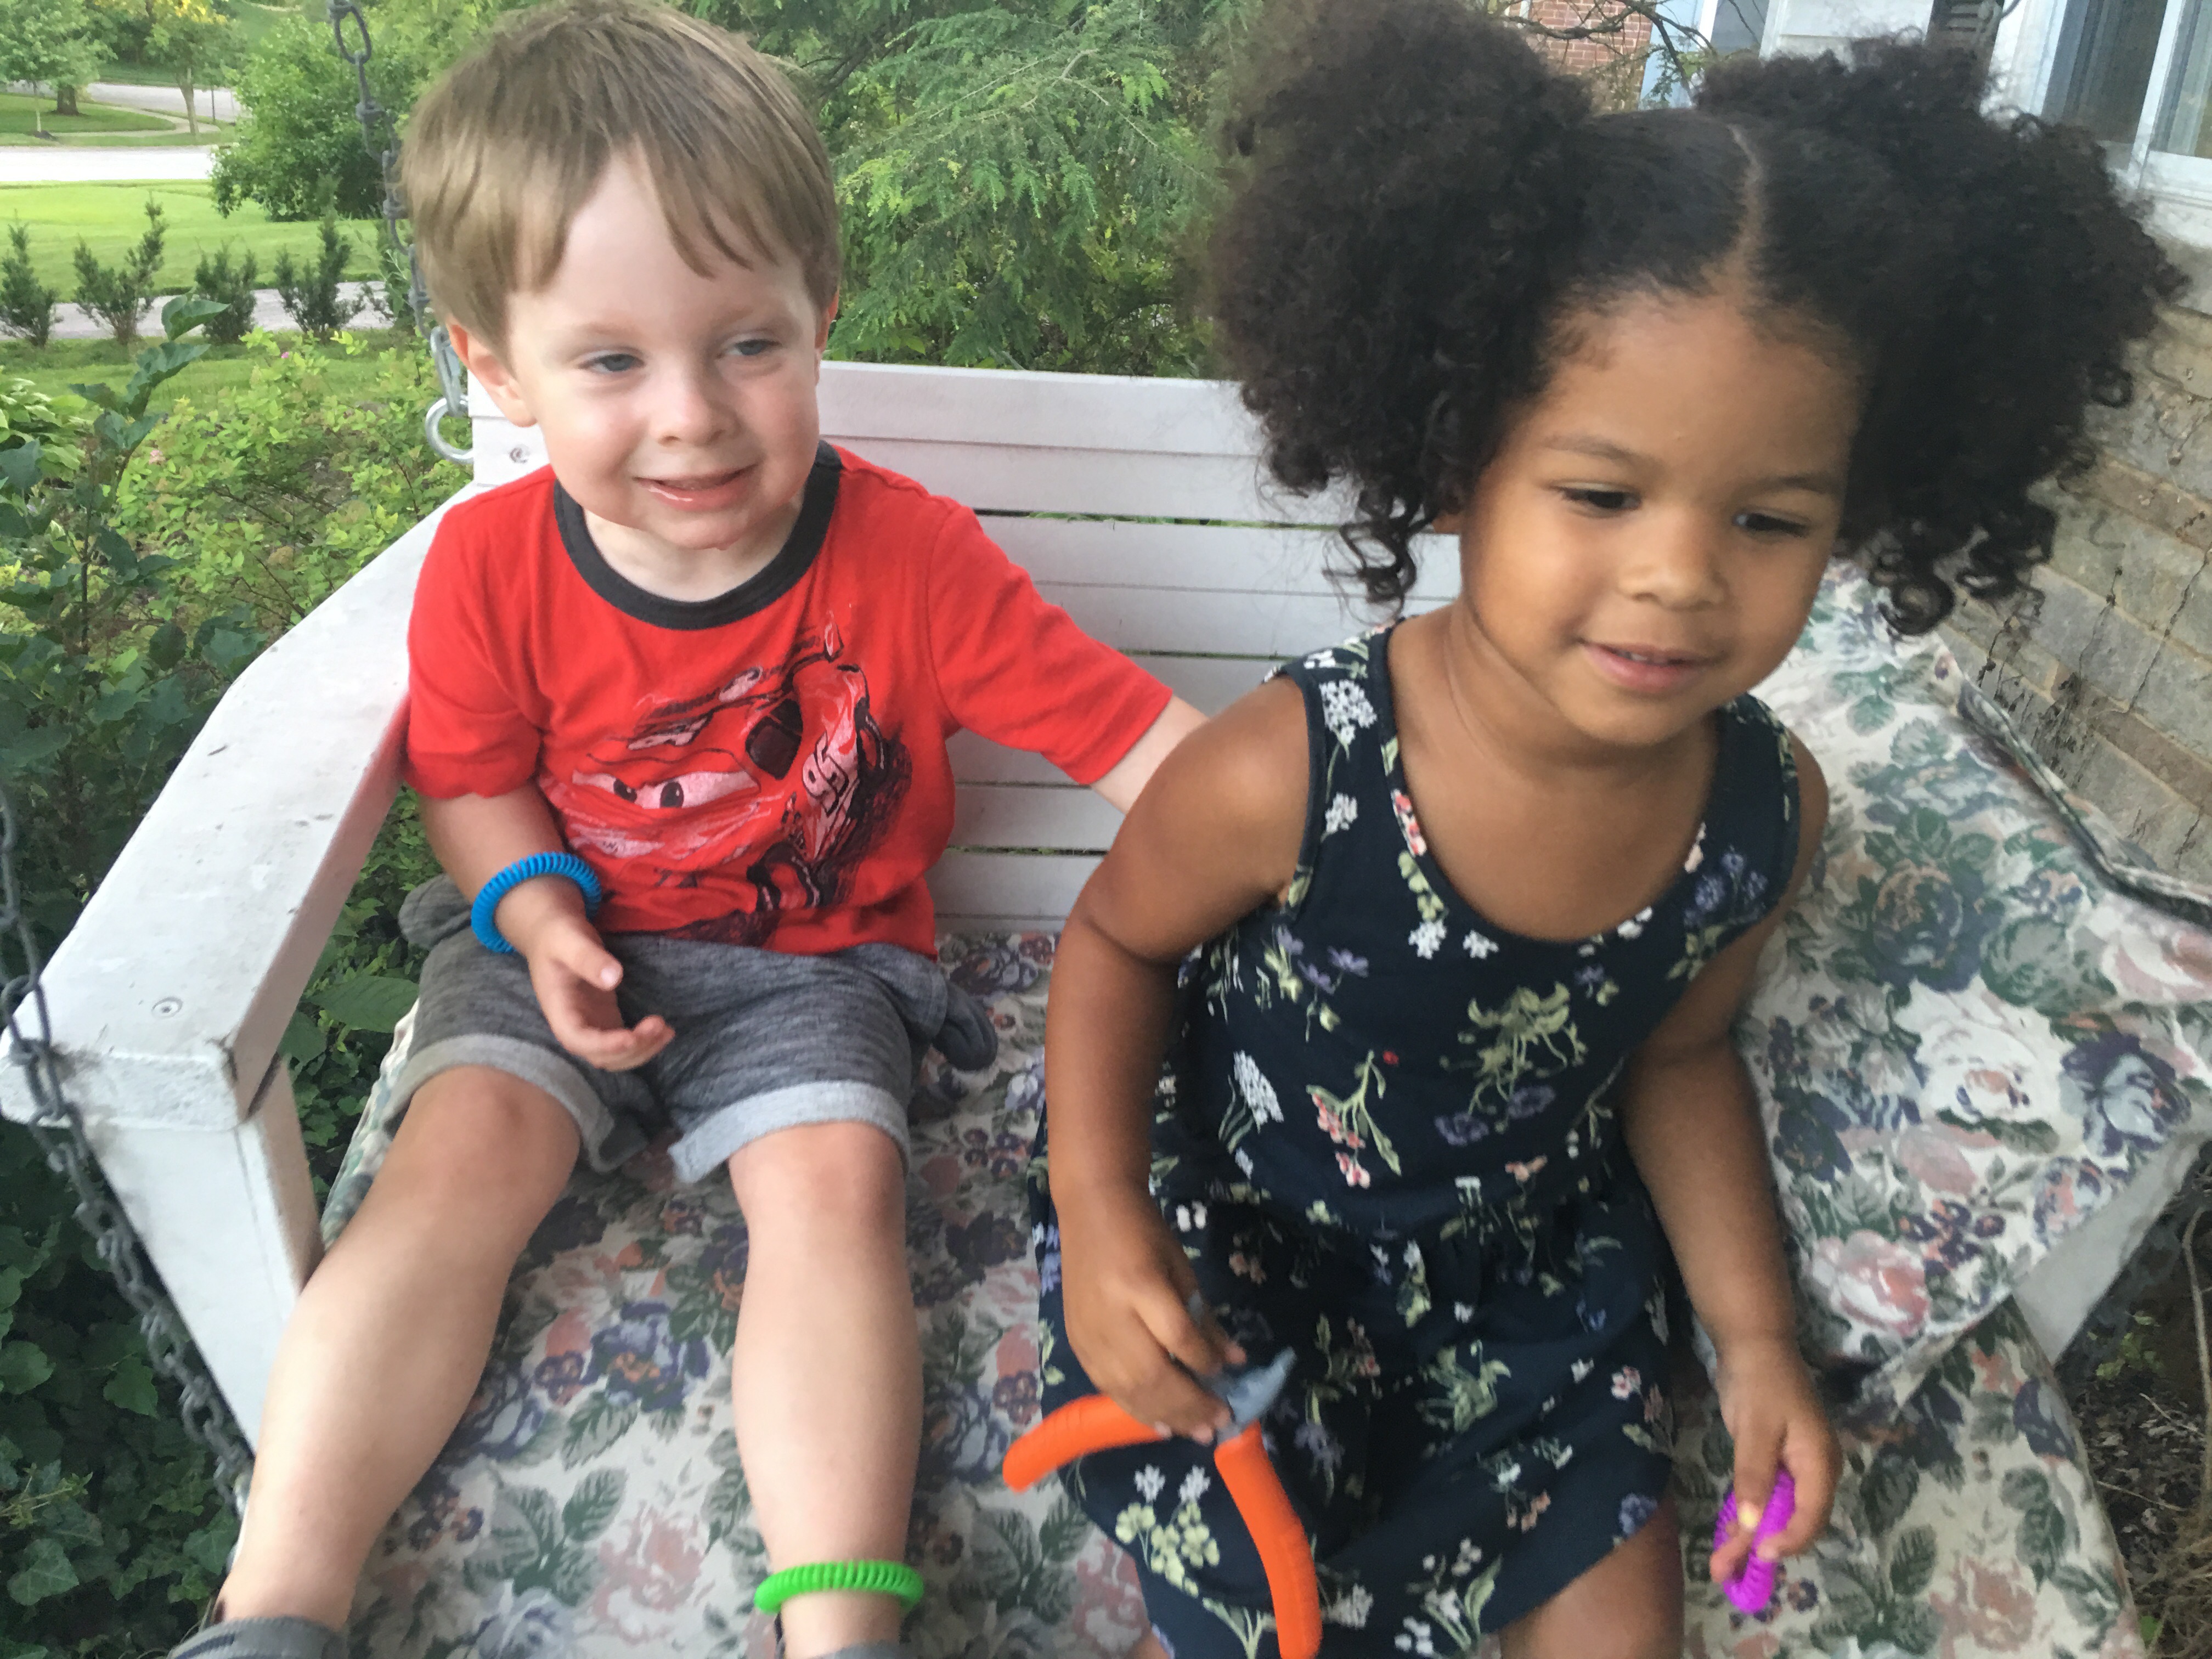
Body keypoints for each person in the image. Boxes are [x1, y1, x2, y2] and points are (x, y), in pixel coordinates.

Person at [1028, 5, 2181, 1656]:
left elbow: (1680, 1054)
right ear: (1458, 464)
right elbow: (1117, 944)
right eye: (1601, 495)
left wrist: (1756, 1344)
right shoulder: (1298, 767)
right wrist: (1098, 1215)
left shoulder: (1762, 812)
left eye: (1770, 517)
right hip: (1254, 1263)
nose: (1682, 575)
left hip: (1531, 1303)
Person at [171, 8, 1203, 1659]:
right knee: (455, 1168)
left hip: (815, 964)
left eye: (746, 346)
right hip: (559, 942)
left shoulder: (914, 563)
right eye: (610, 362)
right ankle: (276, 1607)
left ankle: (841, 1629)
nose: (693, 416)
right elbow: (471, 778)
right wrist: (533, 913)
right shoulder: (491, 568)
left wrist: (1348, 834)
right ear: (495, 368)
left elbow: (1138, 744)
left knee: (836, 1191)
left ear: (819, 318)